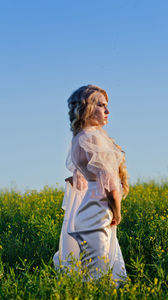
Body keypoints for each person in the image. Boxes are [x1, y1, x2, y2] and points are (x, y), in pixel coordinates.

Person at [53, 85, 129, 286]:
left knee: (96, 266)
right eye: (101, 105)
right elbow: (110, 185)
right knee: (100, 270)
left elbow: (79, 178)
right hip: (98, 209)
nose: (107, 111)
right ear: (87, 108)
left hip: (88, 208)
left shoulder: (77, 139)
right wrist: (118, 212)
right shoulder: (92, 138)